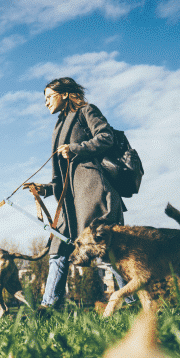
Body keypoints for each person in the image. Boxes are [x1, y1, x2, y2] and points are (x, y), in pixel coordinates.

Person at [23, 77, 126, 310]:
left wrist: (76, 148)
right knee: (58, 252)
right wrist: (45, 189)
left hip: (92, 194)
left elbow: (106, 137)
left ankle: (130, 300)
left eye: (50, 96)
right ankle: (48, 308)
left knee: (105, 250)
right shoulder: (58, 125)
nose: (46, 102)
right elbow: (63, 176)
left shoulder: (86, 111)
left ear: (66, 94)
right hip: (68, 204)